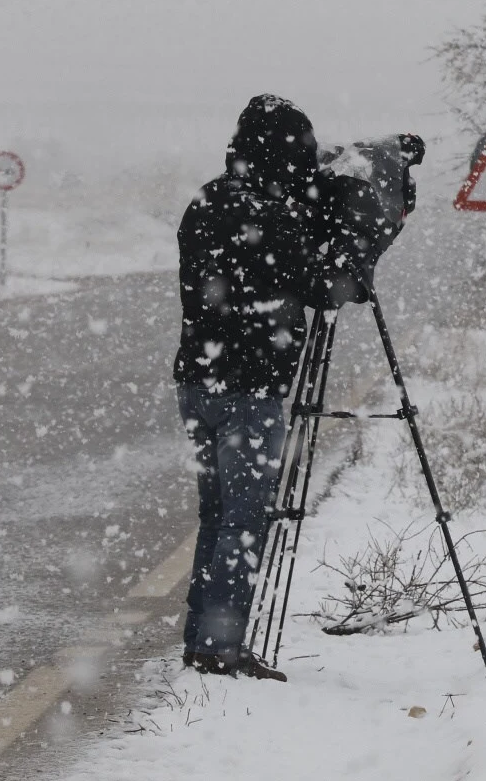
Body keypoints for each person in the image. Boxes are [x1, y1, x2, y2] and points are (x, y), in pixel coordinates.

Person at [172, 94, 325, 681]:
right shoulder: (270, 215)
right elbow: (317, 286)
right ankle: (222, 647)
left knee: (216, 516)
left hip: (198, 380)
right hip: (249, 389)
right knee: (244, 521)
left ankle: (202, 640)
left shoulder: (206, 200)